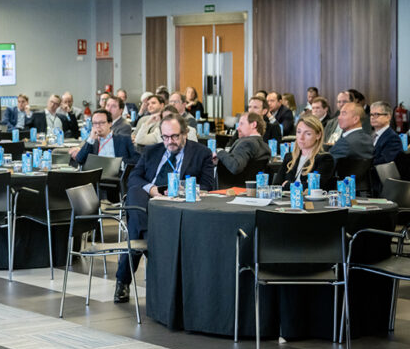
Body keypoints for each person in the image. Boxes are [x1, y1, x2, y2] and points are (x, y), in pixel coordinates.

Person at [114, 116, 215, 303]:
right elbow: (133, 177)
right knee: (135, 192)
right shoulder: (152, 151)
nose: (170, 141)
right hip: (149, 201)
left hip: (177, 207)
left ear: (185, 133)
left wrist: (181, 189)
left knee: (135, 230)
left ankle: (123, 279)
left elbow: (208, 186)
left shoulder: (201, 153)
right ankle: (151, 244)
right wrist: (152, 189)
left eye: (175, 136)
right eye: (165, 137)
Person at [273, 115, 335, 188]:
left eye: (307, 133)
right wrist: (302, 184)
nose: (301, 137)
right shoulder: (289, 157)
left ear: (318, 135)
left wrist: (288, 185)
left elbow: (314, 186)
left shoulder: (325, 159)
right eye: (299, 132)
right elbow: (276, 185)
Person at [73, 108, 140, 166]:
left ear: (110, 123)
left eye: (101, 123)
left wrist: (120, 164)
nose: (98, 126)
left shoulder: (124, 139)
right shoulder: (91, 142)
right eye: (95, 123)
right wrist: (91, 139)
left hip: (117, 174)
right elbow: (79, 160)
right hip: (96, 174)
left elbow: (138, 159)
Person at [213, 112, 270, 176]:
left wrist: (219, 151)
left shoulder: (247, 143)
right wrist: (220, 161)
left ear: (253, 125)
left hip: (231, 181)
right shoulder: (265, 146)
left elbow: (235, 166)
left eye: (241, 124)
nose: (238, 128)